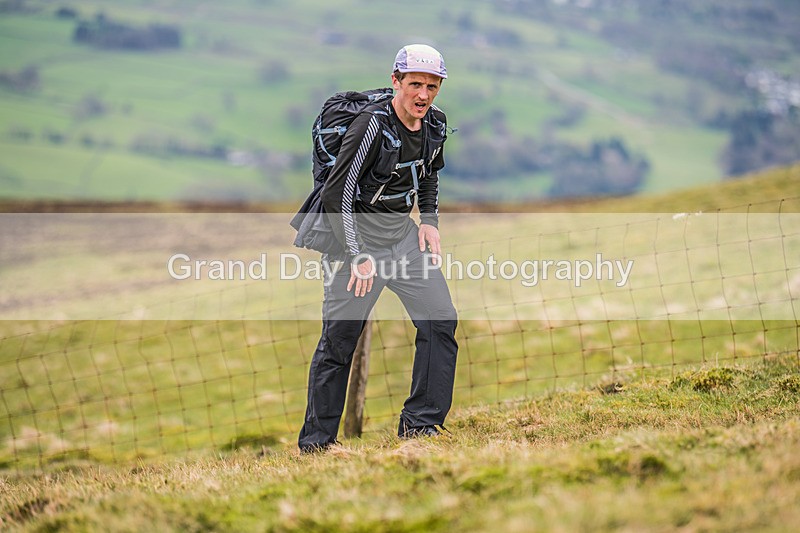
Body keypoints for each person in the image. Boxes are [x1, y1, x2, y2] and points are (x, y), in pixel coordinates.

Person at [298, 44, 459, 452]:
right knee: (339, 343)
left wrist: (430, 222)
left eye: (432, 86)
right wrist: (356, 254)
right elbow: (338, 194)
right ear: (396, 82)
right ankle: (317, 446)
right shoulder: (372, 125)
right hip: (355, 242)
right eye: (415, 85)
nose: (423, 95)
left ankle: (421, 426)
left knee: (441, 322)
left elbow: (429, 174)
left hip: (402, 239)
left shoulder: (435, 124)